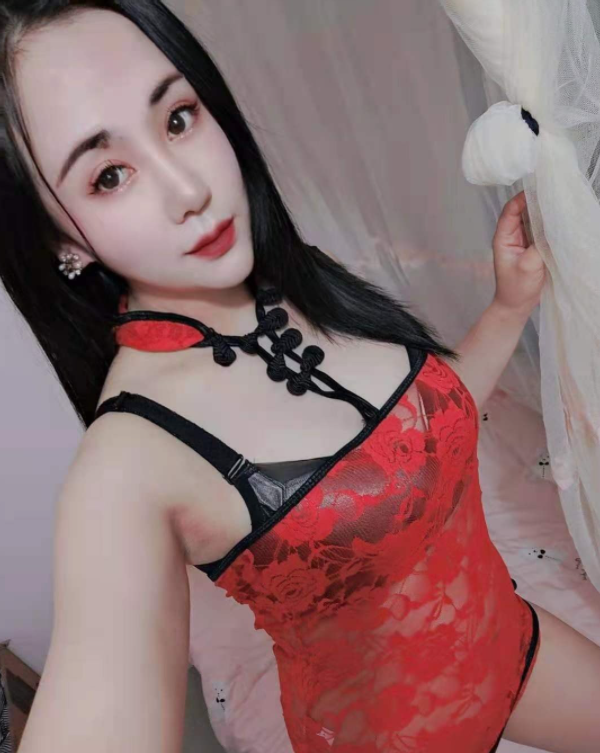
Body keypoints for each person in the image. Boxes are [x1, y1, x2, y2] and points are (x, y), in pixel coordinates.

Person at [1, 2, 599, 752]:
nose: (188, 189)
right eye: (109, 175)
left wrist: (509, 307)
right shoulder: (128, 463)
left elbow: (416, 436)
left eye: (178, 118)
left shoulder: (293, 281)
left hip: (511, 644)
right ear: (61, 239)